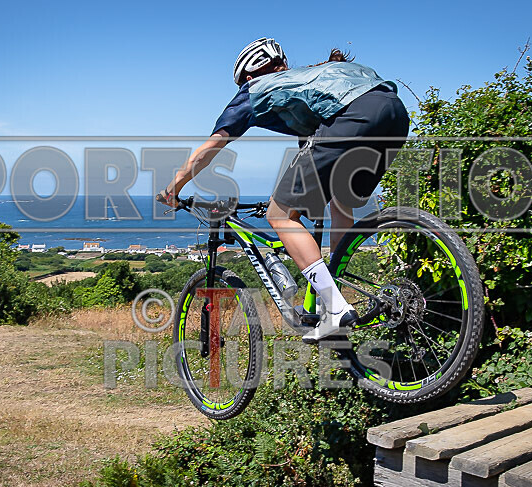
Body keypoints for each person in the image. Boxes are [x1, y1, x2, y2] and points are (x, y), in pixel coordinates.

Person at [157, 37, 409, 342]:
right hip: (394, 113)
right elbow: (313, 153)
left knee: (280, 215)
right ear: (282, 64)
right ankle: (335, 297)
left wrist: (173, 188)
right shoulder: (310, 82)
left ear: (248, 77)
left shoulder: (253, 91)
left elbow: (211, 148)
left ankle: (335, 305)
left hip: (352, 117)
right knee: (342, 205)